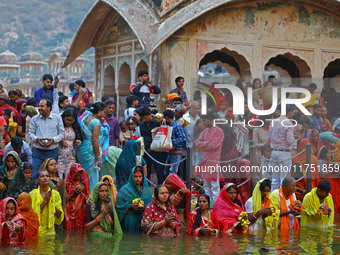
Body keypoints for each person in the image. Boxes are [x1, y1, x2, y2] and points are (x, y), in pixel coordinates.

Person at [29, 99, 65, 179]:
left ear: (49, 107)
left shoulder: (57, 118)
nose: (39, 108)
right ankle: (35, 191)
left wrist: (54, 140)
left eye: (42, 106)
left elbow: (62, 134)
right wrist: (36, 139)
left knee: (51, 176)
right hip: (38, 152)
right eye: (39, 106)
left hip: (52, 151)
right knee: (35, 175)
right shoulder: (34, 119)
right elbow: (30, 133)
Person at [195, 112, 224, 201]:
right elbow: (197, 143)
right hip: (205, 161)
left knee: (215, 186)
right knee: (206, 186)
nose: (203, 123)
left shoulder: (218, 131)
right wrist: (207, 143)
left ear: (210, 120)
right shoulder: (205, 131)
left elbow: (214, 145)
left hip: (214, 161)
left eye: (204, 120)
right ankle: (208, 206)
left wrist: (203, 144)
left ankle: (215, 206)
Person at [77, 103, 105, 191]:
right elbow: (95, 141)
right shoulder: (96, 121)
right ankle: (90, 195)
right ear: (99, 112)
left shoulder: (86, 118)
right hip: (90, 150)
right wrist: (98, 157)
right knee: (92, 174)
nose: (104, 114)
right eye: (103, 111)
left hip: (82, 148)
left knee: (83, 174)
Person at [115, 167, 152, 233]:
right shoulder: (124, 190)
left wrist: (144, 207)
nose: (138, 179)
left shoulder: (146, 190)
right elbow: (118, 207)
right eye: (135, 176)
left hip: (143, 221)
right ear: (131, 176)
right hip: (130, 220)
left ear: (143, 177)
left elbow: (151, 206)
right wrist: (129, 206)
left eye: (140, 176)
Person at [136, 106, 167, 184]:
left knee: (159, 171)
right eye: (142, 118)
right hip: (146, 151)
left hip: (157, 151)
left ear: (150, 115)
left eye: (145, 118)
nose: (144, 120)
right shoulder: (142, 124)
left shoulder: (157, 123)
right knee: (147, 172)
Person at [268, 105, 296, 190]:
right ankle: (282, 199)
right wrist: (295, 138)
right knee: (284, 178)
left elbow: (269, 138)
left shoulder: (273, 122)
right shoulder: (288, 123)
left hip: (274, 152)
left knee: (275, 178)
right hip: (284, 153)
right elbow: (290, 140)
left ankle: (273, 198)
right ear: (290, 112)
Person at [30, 169, 64, 235]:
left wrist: (51, 204)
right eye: (42, 176)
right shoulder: (32, 194)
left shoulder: (55, 194)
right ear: (37, 180)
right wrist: (45, 201)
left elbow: (59, 216)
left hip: (50, 232)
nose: (45, 178)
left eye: (47, 176)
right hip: (36, 231)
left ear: (49, 179)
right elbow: (32, 215)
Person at [64, 163, 90, 230]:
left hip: (80, 209)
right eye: (76, 175)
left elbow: (87, 197)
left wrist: (83, 190)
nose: (78, 177)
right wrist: (74, 193)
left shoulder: (82, 183)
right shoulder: (66, 183)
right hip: (69, 209)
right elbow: (64, 199)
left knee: (80, 227)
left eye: (79, 175)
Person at [58, 109, 82, 178]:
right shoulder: (59, 126)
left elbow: (78, 137)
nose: (69, 122)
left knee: (69, 176)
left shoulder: (74, 127)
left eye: (71, 120)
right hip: (60, 155)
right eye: (67, 120)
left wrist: (77, 140)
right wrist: (61, 140)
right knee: (60, 176)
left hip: (71, 155)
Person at [163, 109, 186, 175]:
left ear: (166, 118)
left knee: (172, 172)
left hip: (176, 153)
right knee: (166, 172)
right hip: (169, 152)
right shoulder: (167, 126)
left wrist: (171, 142)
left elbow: (183, 138)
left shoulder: (177, 126)